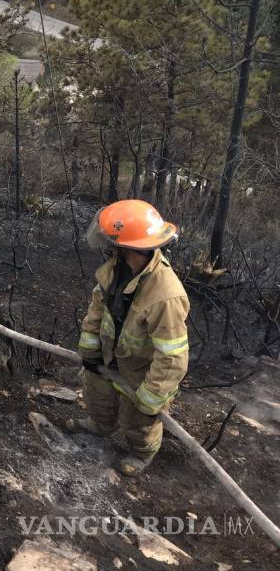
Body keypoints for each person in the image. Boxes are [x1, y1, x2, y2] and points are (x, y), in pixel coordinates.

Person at [69, 199, 190, 476]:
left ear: (128, 246)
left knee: (139, 420)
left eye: (114, 242)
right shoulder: (115, 270)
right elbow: (96, 311)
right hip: (109, 357)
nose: (110, 246)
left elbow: (172, 357)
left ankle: (141, 453)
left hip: (141, 372)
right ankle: (100, 425)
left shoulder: (166, 296)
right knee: (97, 394)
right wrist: (90, 350)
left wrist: (151, 397)